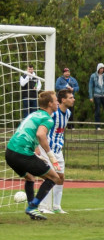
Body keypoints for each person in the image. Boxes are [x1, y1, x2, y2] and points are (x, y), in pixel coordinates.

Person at [4, 90, 63, 220]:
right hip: (22, 153)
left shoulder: (34, 114)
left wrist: (36, 153)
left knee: (30, 177)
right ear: (50, 103)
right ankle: (32, 206)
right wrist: (51, 157)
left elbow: (28, 132)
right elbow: (40, 134)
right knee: (54, 177)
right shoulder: (47, 119)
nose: (58, 103)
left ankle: (33, 209)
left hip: (10, 152)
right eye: (56, 100)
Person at [37, 89, 74, 214]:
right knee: (50, 176)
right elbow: (40, 126)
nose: (73, 99)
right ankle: (42, 206)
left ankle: (56, 206)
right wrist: (37, 145)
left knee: (61, 177)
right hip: (47, 149)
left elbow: (60, 131)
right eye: (70, 97)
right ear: (63, 100)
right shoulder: (53, 113)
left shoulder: (68, 113)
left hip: (58, 150)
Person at [89, 63, 104, 130]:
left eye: (103, 68)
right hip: (97, 95)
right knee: (97, 111)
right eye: (100, 68)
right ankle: (97, 126)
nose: (102, 70)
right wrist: (91, 96)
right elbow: (90, 86)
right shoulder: (93, 76)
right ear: (98, 69)